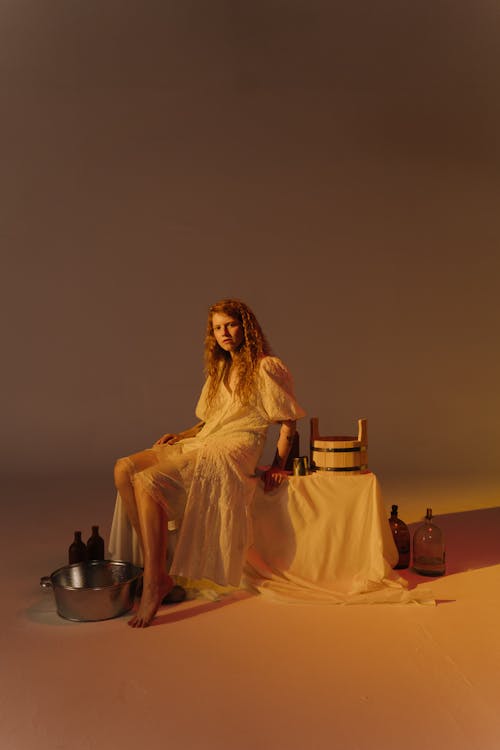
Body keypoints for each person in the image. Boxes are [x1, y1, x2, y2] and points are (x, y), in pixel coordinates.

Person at [113, 298, 305, 627]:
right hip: (209, 438)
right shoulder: (220, 367)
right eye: (217, 328)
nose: (224, 333)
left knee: (148, 481)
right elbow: (209, 421)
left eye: (230, 325)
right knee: (124, 469)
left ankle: (153, 582)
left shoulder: (265, 366)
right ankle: (155, 568)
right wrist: (181, 434)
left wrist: (277, 465)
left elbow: (288, 421)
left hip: (238, 445)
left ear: (246, 327)